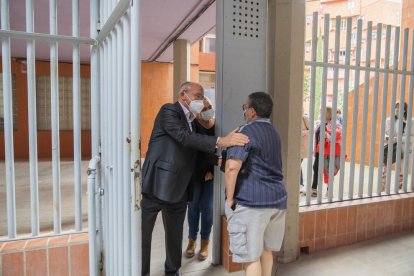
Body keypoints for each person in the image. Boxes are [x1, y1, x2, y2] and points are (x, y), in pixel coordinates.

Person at [141, 82, 249, 276]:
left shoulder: (194, 121)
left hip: (181, 188)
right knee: (143, 236)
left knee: (174, 235)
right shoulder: (169, 111)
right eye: (198, 96)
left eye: (202, 97)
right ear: (184, 95)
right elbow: (183, 137)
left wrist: (228, 164)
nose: (201, 100)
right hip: (158, 184)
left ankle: (172, 270)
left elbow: (200, 149)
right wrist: (221, 140)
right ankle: (142, 271)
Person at [224, 92, 287, 276]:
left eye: (244, 108)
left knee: (252, 257)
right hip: (278, 201)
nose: (244, 111)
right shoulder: (275, 133)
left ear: (251, 112)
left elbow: (232, 168)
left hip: (253, 203)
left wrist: (229, 199)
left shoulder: (245, 133)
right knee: (267, 251)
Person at [185, 97, 218, 261]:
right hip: (194, 173)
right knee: (193, 208)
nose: (208, 111)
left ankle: (205, 243)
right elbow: (194, 150)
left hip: (211, 175)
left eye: (209, 107)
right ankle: (191, 241)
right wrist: (202, 170)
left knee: (208, 209)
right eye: (204, 108)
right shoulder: (192, 125)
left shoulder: (217, 125)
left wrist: (211, 170)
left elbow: (216, 149)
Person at [311, 106, 341, 197]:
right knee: (316, 167)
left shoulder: (335, 124)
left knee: (328, 169)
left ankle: (329, 190)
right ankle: (314, 188)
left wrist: (327, 135)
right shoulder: (320, 123)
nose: (320, 114)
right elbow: (316, 136)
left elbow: (337, 137)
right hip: (319, 150)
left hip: (328, 151)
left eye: (322, 112)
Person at [381, 101, 408, 191]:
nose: (397, 109)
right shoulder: (389, 120)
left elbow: (408, 137)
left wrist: (398, 139)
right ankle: (382, 187)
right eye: (396, 107)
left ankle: (399, 187)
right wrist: (390, 138)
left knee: (400, 168)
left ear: (404, 110)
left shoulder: (406, 122)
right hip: (389, 145)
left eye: (400, 107)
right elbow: (384, 134)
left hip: (401, 146)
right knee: (384, 167)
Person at [300, 114, 310, 194]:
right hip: (294, 145)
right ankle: (300, 184)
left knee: (297, 164)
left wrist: (301, 133)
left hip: (302, 146)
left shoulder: (304, 118)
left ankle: (300, 184)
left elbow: (311, 130)